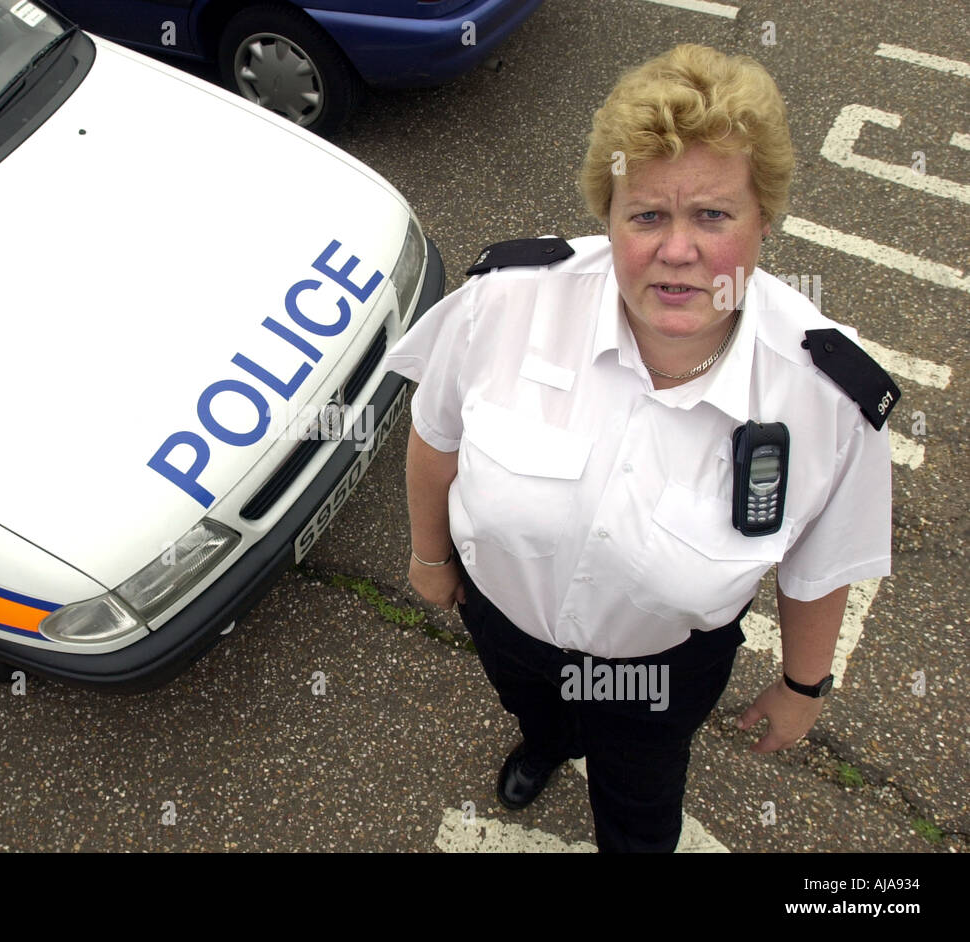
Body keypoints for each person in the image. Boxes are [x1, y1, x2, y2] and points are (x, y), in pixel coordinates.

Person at [383, 43, 899, 853]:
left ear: (764, 217)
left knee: (641, 802)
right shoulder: (506, 300)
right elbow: (436, 433)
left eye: (714, 215)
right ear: (610, 218)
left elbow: (821, 566)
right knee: (530, 704)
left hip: (658, 673)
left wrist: (804, 686)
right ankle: (547, 741)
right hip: (505, 621)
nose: (678, 250)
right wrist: (429, 558)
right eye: (647, 215)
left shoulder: (828, 396)